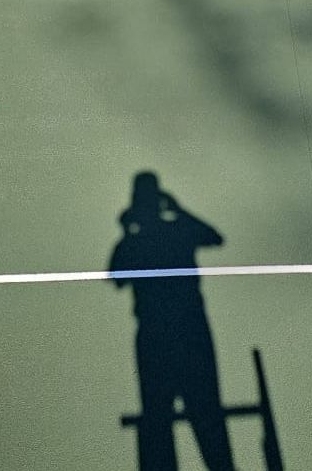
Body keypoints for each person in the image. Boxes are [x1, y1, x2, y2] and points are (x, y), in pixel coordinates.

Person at [110, 171, 235, 471]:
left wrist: (130, 232)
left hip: (169, 335)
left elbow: (116, 275)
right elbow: (116, 275)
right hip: (183, 333)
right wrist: (178, 211)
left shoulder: (148, 238)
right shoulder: (175, 231)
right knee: (194, 419)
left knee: (173, 422)